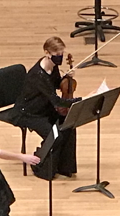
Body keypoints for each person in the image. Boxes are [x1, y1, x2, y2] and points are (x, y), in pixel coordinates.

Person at [13, 36, 81, 179]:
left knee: (68, 126)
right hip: (29, 113)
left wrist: (66, 79)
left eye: (61, 54)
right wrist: (79, 100)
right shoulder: (38, 75)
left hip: (44, 107)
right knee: (54, 137)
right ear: (47, 53)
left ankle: (64, 167)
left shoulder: (53, 67)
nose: (60, 58)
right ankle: (39, 165)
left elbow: (55, 84)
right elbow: (56, 100)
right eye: (57, 55)